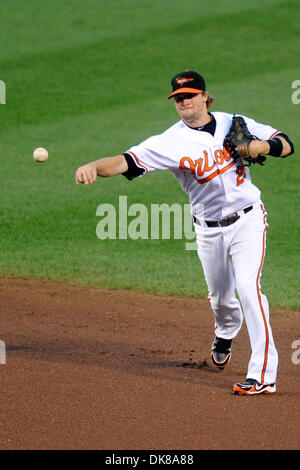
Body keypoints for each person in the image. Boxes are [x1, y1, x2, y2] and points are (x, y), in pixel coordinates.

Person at [75, 70, 294, 395]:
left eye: (190, 95)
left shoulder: (233, 122)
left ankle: (263, 375)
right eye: (178, 98)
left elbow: (287, 144)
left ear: (205, 96)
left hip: (249, 220)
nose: (184, 102)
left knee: (249, 288)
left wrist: (259, 145)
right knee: (221, 299)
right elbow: (124, 161)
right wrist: (94, 166)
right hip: (208, 231)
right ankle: (226, 329)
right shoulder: (169, 142)